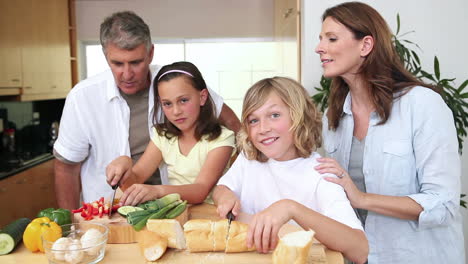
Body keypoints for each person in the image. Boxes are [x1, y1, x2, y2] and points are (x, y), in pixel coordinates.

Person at [314, 2, 464, 263]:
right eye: (320, 39)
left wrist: (361, 198)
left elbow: (443, 204)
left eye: (332, 38)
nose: (319, 48)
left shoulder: (422, 104)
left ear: (366, 45)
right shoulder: (335, 115)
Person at [54, 11, 240, 210]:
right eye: (117, 63)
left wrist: (243, 178)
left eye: (136, 62)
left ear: (150, 53)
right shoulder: (82, 97)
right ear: (106, 56)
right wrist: (70, 226)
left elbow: (234, 126)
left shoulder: (175, 81)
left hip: (174, 208)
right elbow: (66, 168)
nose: (127, 74)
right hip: (110, 211)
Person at [213, 77, 368, 264]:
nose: (263, 128)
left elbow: (360, 250)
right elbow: (222, 188)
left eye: (274, 115)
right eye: (253, 120)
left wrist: (291, 208)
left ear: (299, 116)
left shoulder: (322, 173)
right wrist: (225, 197)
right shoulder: (249, 159)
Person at [106, 61, 235, 205]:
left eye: (183, 100)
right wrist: (124, 166)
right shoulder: (163, 137)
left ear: (202, 97)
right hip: (178, 218)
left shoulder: (223, 139)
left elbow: (200, 190)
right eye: (167, 104)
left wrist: (157, 191)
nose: (176, 111)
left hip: (211, 219)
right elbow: (134, 181)